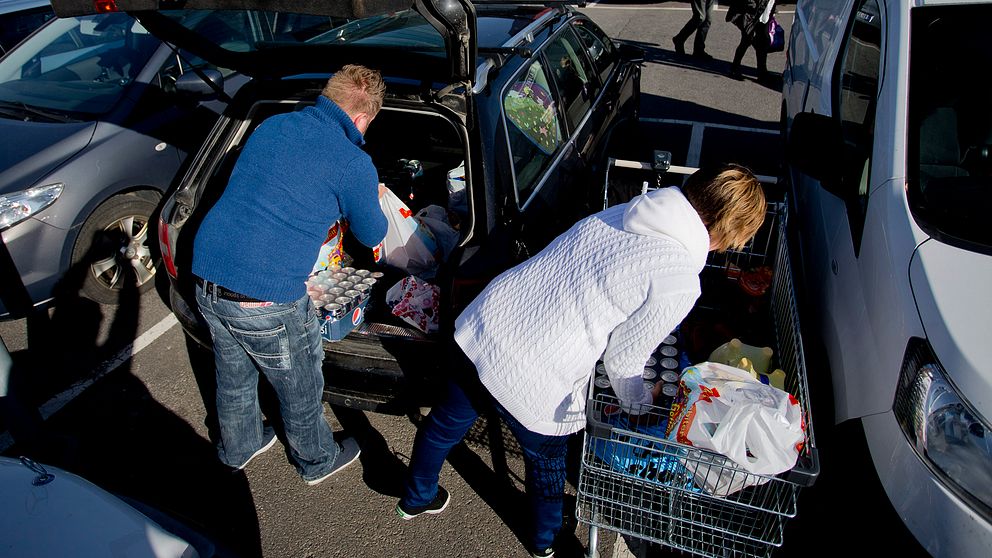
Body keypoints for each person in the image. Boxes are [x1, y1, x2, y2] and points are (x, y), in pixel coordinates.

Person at [395, 164, 767, 557]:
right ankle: (545, 542)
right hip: (537, 371)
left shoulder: (627, 212)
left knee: (445, 422)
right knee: (546, 467)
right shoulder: (678, 277)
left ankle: (415, 498)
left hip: (488, 321)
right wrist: (641, 402)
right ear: (728, 231)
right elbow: (624, 359)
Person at [191, 65, 388, 485]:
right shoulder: (353, 163)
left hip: (206, 272)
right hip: (265, 294)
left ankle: (239, 445)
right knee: (299, 384)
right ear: (361, 118)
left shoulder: (273, 124)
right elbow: (374, 234)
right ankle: (315, 461)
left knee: (233, 372)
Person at [727, 0, 776, 81]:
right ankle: (734, 69)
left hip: (764, 13)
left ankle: (762, 73)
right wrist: (752, 7)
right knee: (746, 41)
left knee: (763, 42)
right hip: (751, 14)